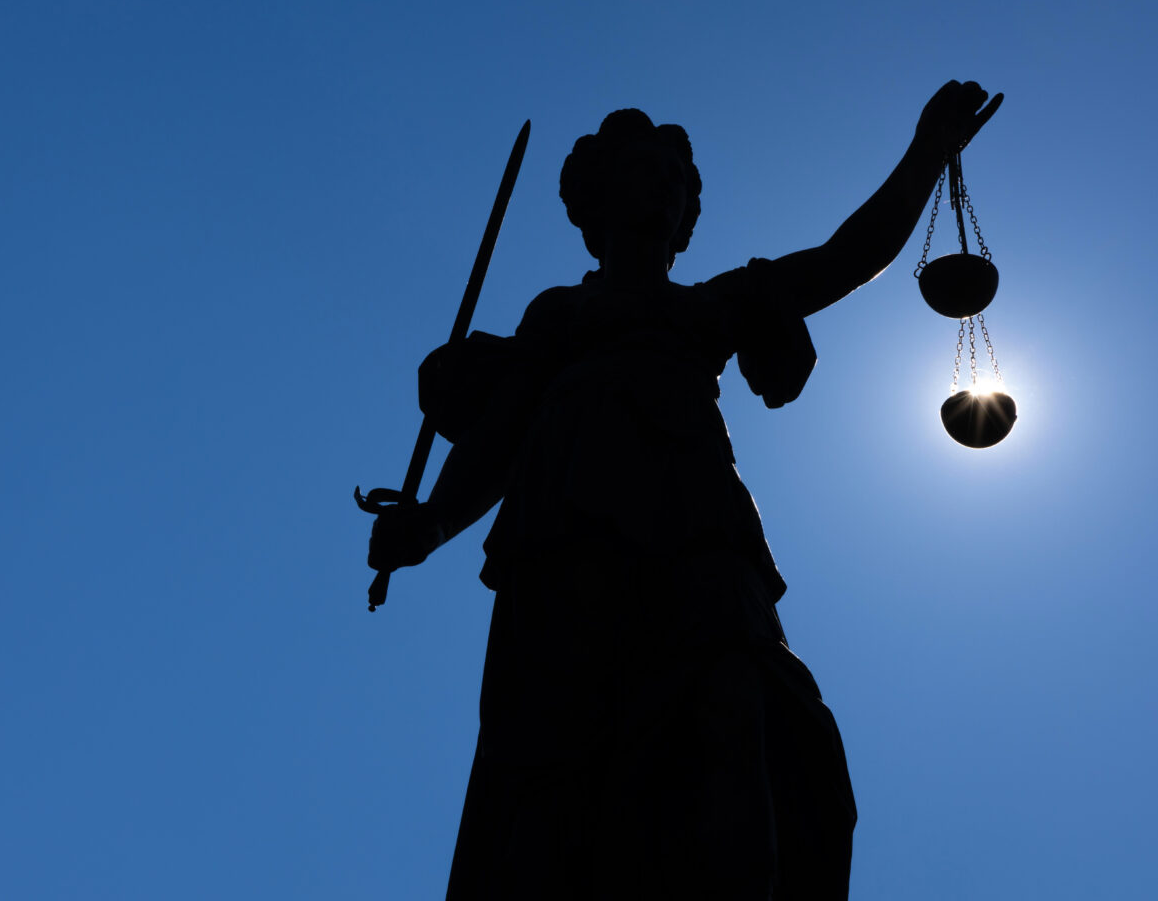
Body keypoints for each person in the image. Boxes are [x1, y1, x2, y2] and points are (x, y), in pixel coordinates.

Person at [368, 81, 1001, 899]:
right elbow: (500, 436)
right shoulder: (559, 316)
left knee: (737, 709)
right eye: (644, 171)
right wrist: (431, 523)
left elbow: (849, 255)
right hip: (564, 536)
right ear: (594, 203)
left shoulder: (714, 307)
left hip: (699, 530)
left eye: (676, 179)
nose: (664, 188)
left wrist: (928, 151)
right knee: (551, 757)